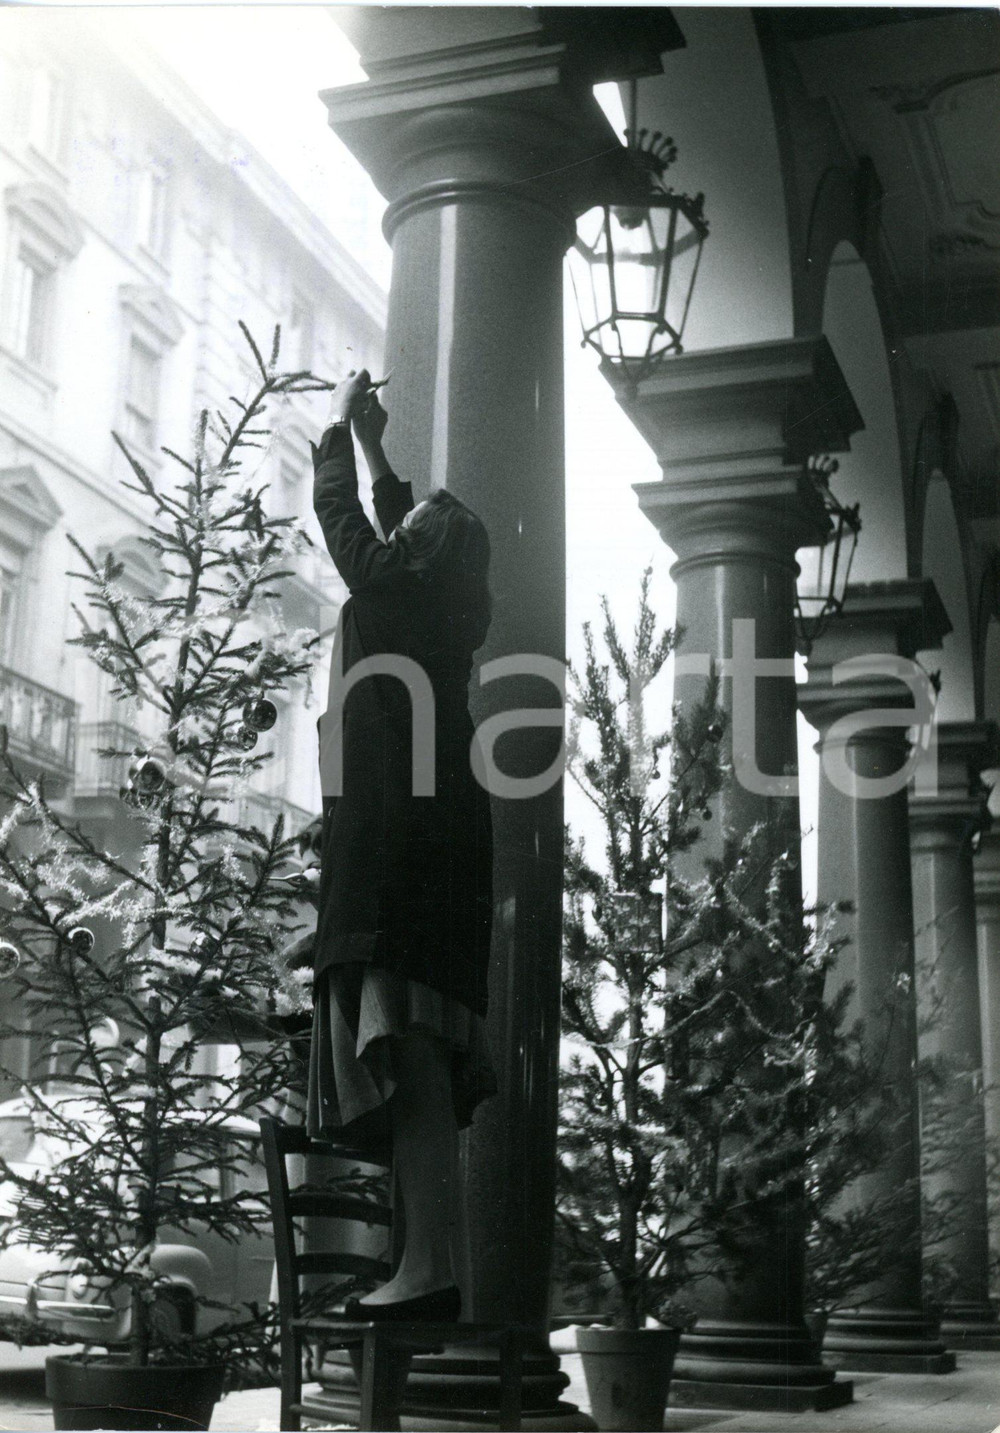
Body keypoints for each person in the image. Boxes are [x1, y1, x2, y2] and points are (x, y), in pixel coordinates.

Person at [306, 368, 496, 1323]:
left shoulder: (402, 593)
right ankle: (426, 1263)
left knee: (412, 1065)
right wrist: (378, 446)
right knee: (419, 1064)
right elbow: (393, 522)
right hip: (439, 841)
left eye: (415, 529)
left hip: (406, 852)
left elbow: (354, 533)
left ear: (427, 555)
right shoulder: (441, 605)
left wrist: (339, 432)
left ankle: (428, 1270)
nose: (402, 526)